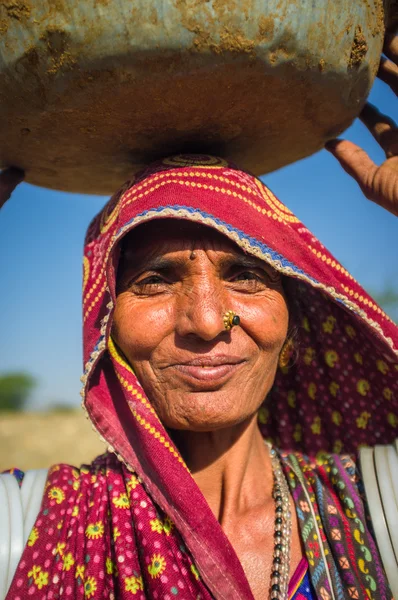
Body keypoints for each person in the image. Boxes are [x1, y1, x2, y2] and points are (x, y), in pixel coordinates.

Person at [1, 32, 398, 600]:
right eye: (154, 281)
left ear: (294, 325)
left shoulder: (380, 511)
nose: (207, 323)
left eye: (245, 275)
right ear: (104, 326)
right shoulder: (27, 530)